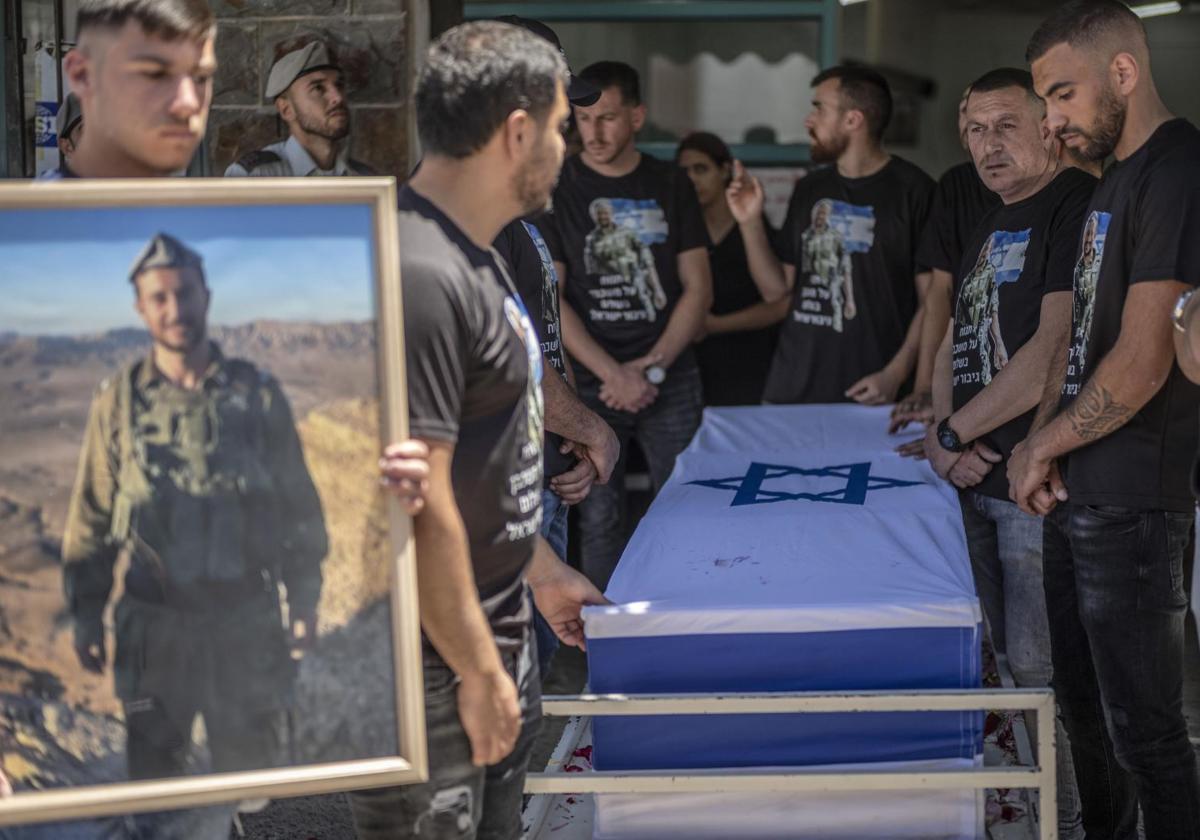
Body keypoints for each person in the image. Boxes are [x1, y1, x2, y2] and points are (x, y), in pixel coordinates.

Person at [348, 21, 607, 840]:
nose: (569, 149)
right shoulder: (418, 267)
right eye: (564, 127)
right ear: (518, 130)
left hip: (491, 636)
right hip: (434, 666)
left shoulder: (482, 255)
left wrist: (542, 573)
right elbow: (412, 499)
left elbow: (478, 469)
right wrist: (473, 668)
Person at [1008, 2, 1200, 836]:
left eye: (1061, 96)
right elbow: (1082, 337)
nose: (1052, 120)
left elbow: (1143, 356)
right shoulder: (1112, 183)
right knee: (1082, 711)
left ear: (1123, 73)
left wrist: (1038, 445)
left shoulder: (1179, 168)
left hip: (1136, 498)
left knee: (1148, 734)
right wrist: (1050, 451)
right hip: (1082, 486)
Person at [64, 231, 327, 779]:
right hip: (155, 632)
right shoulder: (117, 402)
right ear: (141, 308)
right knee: (156, 784)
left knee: (248, 779)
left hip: (245, 624)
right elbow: (92, 518)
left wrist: (303, 599)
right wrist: (87, 617)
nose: (175, 308)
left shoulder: (257, 396)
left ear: (205, 296)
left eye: (184, 292)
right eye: (159, 297)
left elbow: (298, 508)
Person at [921, 67, 1093, 840]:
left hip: (1029, 480)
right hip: (972, 480)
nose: (987, 146)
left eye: (1005, 127)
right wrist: (937, 431)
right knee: (994, 667)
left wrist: (959, 434)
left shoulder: (1071, 205)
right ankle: (1014, 811)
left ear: (1048, 128)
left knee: (1038, 674)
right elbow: (958, 331)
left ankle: (1061, 821)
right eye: (976, 131)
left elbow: (1050, 353)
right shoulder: (992, 218)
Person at [543, 60, 712, 589]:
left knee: (686, 506)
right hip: (592, 381)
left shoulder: (670, 182)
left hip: (671, 374)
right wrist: (612, 373)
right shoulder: (559, 185)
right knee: (599, 517)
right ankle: (605, 642)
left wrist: (649, 367)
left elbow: (699, 288)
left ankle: (688, 623)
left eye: (608, 118)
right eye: (583, 119)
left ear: (637, 117)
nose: (593, 132)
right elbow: (554, 297)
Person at [488, 16, 619, 680]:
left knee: (526, 692)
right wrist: (593, 428)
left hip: (534, 485)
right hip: (493, 510)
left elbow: (538, 342)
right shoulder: (466, 215)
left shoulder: (520, 214)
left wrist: (563, 447)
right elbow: (505, 366)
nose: (568, 121)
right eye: (556, 98)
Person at [727, 66, 935, 406]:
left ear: (853, 120)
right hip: (793, 386)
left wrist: (896, 374)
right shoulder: (810, 188)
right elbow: (776, 289)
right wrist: (749, 222)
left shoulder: (916, 191)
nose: (809, 120)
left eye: (818, 108)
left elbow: (934, 302)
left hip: (874, 391)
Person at [891, 86, 1001, 435]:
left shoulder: (1054, 187)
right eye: (965, 111)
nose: (971, 122)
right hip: (963, 370)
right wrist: (924, 387)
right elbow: (940, 293)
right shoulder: (956, 185)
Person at [677, 131, 780, 406]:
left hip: (749, 360)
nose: (691, 179)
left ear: (724, 170)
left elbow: (780, 302)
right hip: (692, 363)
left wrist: (715, 325)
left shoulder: (754, 225)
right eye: (684, 171)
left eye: (701, 169)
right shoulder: (681, 229)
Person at [224, 41, 374, 177]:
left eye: (339, 85)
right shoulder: (256, 177)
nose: (338, 97)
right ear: (286, 109)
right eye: (318, 88)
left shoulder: (364, 178)